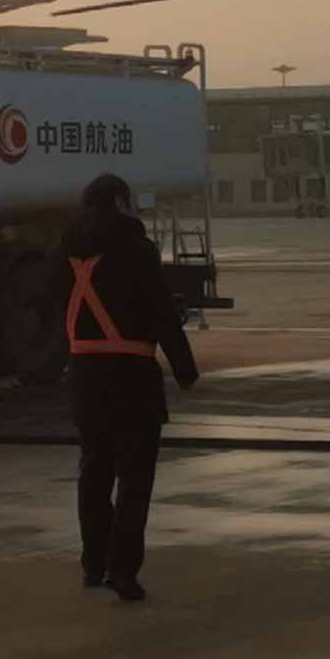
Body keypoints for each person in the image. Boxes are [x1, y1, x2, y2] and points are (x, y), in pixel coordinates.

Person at [63, 173, 199, 601]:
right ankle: (123, 570)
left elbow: (48, 302)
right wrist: (185, 369)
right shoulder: (135, 248)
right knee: (134, 478)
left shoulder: (65, 248)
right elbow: (161, 312)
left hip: (84, 375)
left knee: (94, 470)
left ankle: (93, 563)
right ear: (121, 203)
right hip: (131, 377)